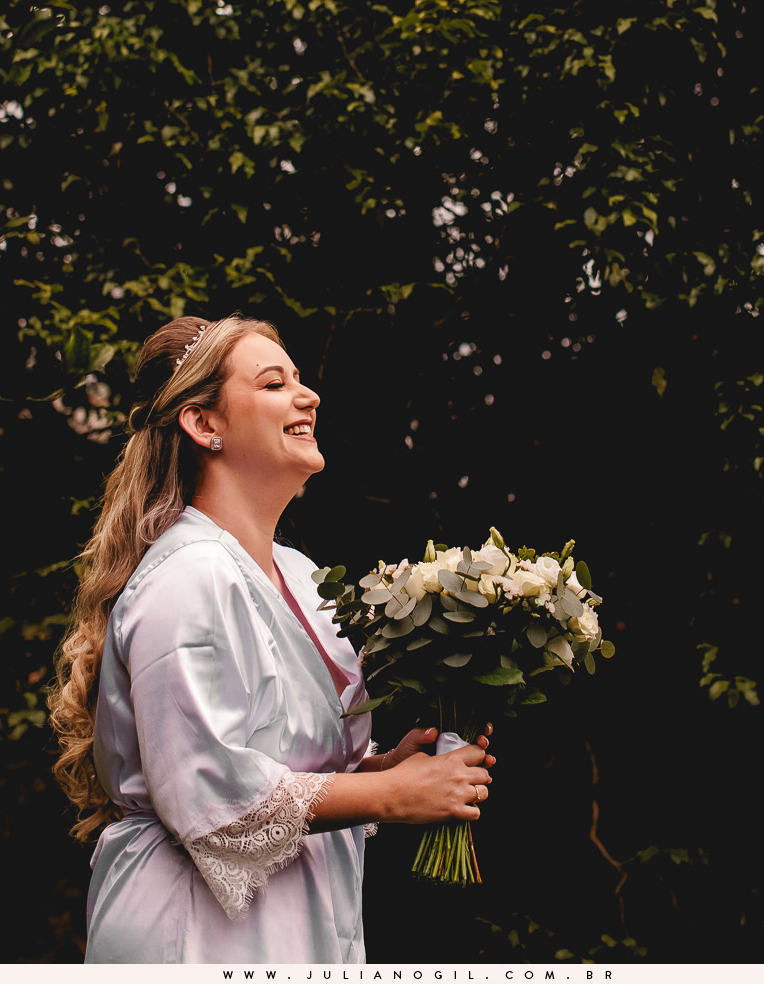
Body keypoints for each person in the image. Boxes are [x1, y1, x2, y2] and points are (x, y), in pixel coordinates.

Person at [49, 312, 495, 963]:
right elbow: (210, 795)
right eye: (273, 383)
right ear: (205, 425)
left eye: (300, 381)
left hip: (301, 919)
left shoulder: (303, 576)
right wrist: (392, 796)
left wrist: (382, 768)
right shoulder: (188, 577)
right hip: (198, 935)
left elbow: (289, 767)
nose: (307, 396)